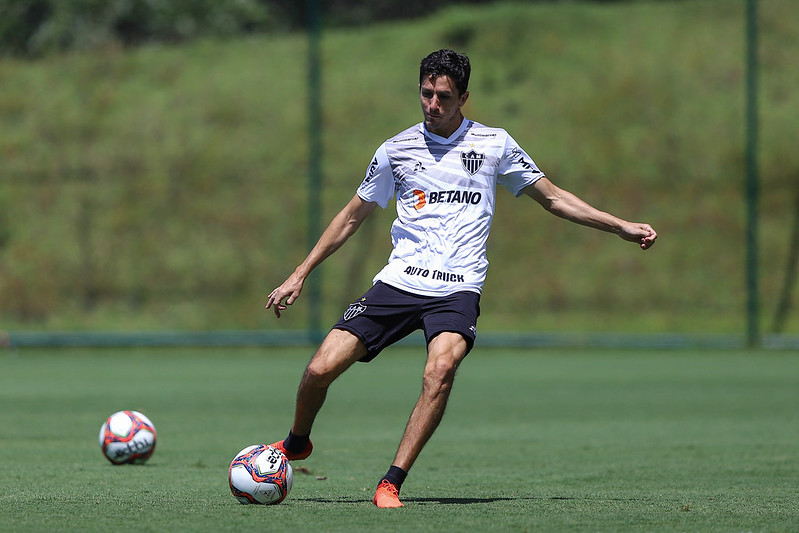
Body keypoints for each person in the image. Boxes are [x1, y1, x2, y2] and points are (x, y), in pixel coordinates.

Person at [265, 48, 657, 508]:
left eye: (444, 97)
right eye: (426, 94)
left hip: (457, 288)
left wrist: (619, 226)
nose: (432, 104)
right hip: (399, 282)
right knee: (319, 369)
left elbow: (553, 198)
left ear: (464, 98)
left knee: (440, 370)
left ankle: (391, 482)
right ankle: (297, 441)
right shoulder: (395, 150)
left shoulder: (494, 144)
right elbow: (352, 216)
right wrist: (300, 273)